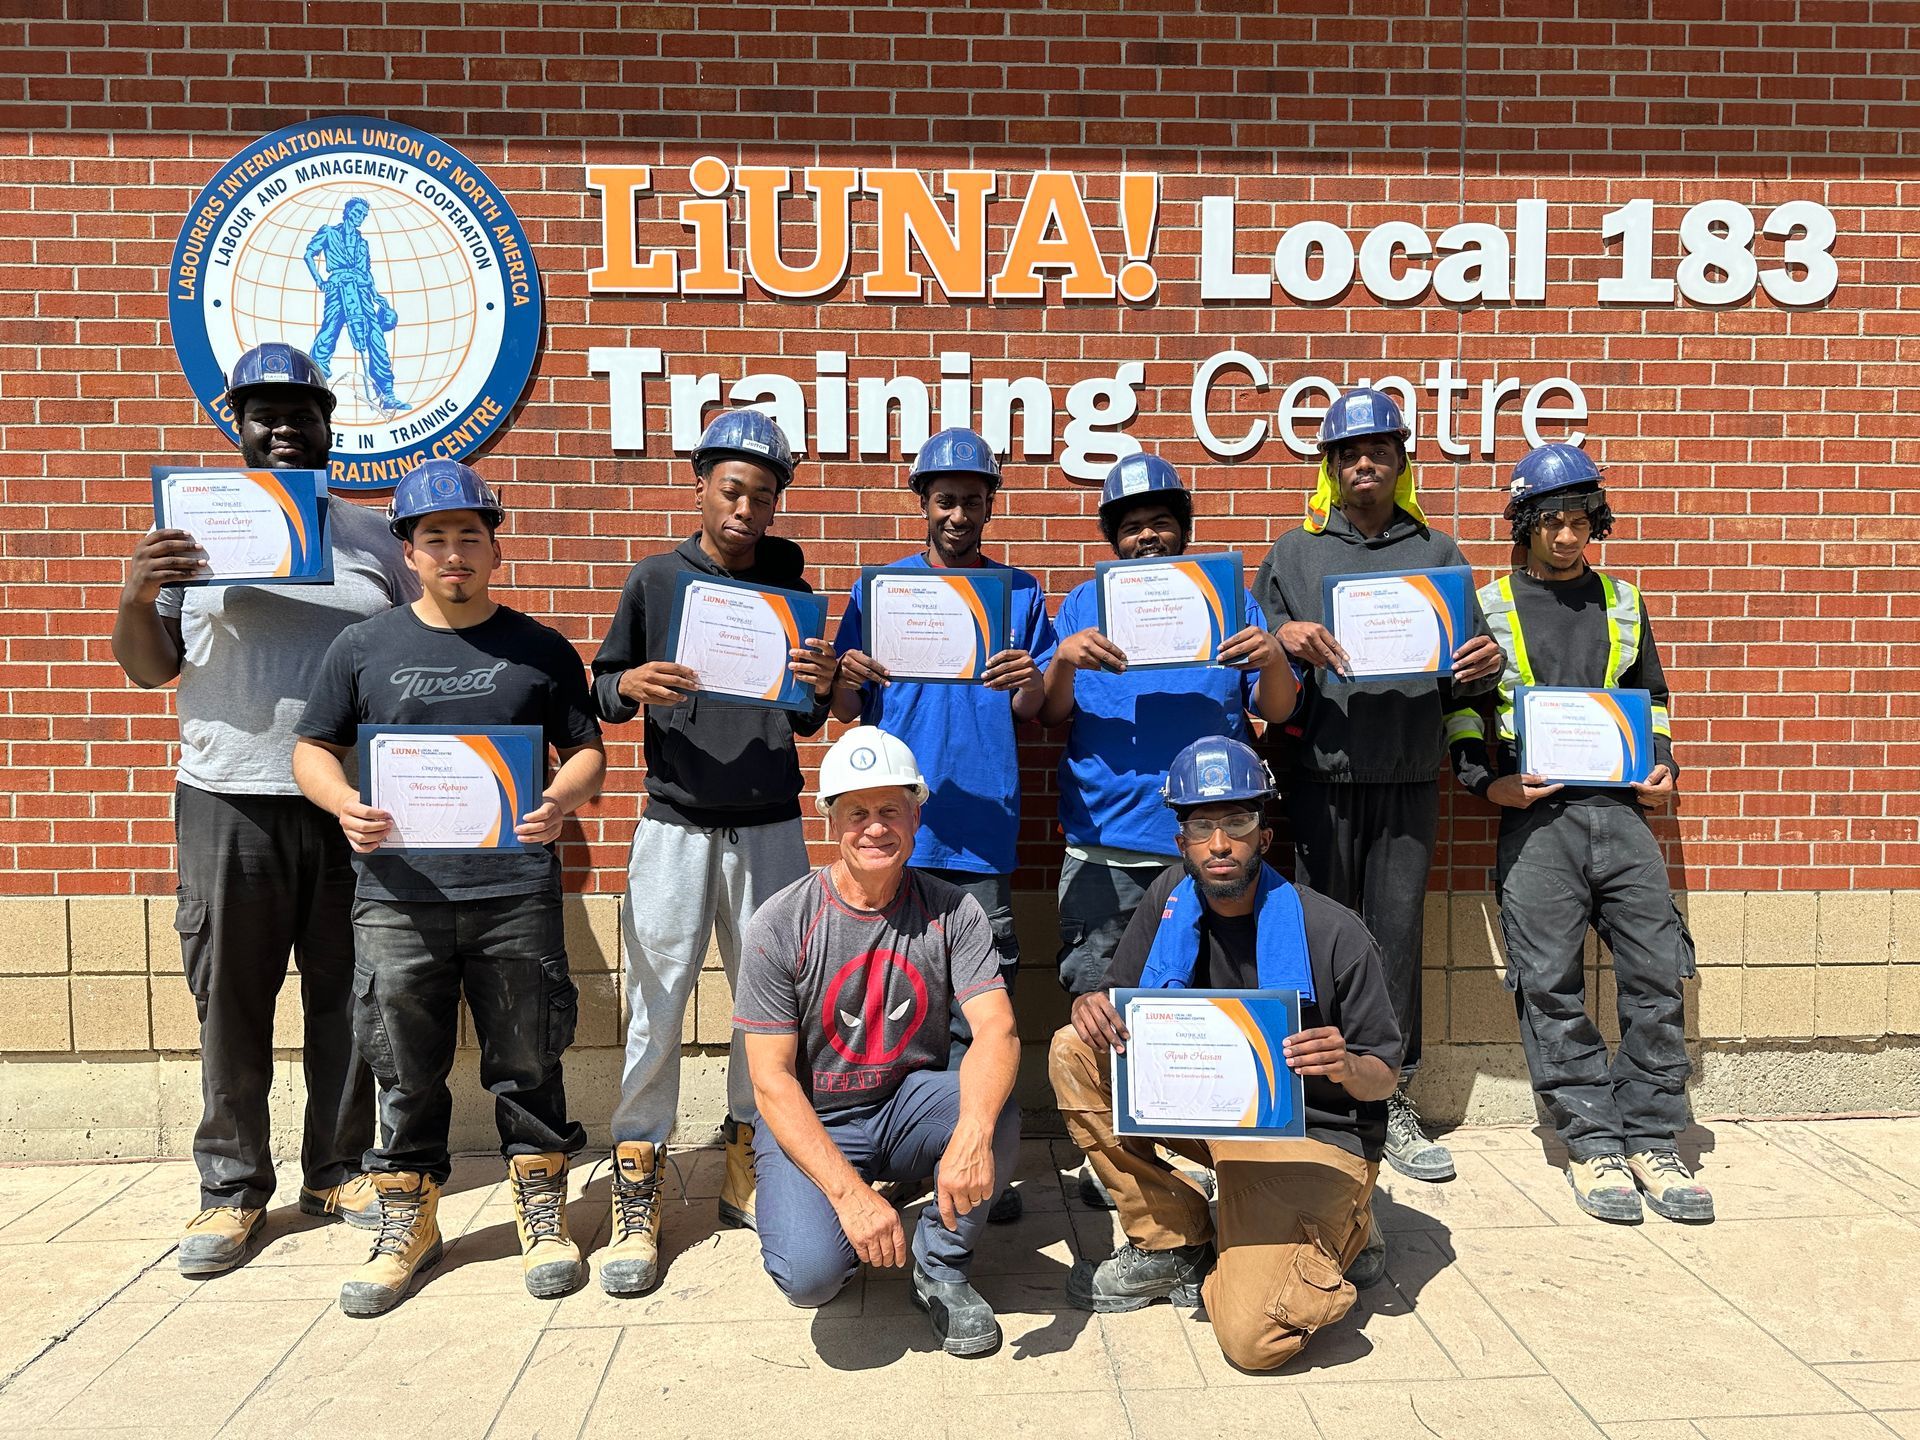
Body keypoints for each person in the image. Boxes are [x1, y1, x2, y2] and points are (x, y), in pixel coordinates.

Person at [111, 342, 417, 1278]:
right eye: (263, 413)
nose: (284, 428)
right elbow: (152, 665)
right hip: (227, 798)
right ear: (234, 425)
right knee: (232, 1003)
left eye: (302, 412)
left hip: (346, 805)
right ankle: (231, 1190)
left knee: (350, 997)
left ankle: (334, 1170)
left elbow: (407, 651)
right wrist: (136, 589)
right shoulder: (187, 532)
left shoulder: (372, 538)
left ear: (332, 425)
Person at [292, 460, 605, 1315]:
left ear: (495, 550)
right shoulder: (362, 647)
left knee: (530, 1052)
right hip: (396, 895)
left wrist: (556, 801)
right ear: (410, 552)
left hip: (513, 891)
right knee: (403, 1064)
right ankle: (411, 1218)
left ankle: (542, 1208)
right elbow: (311, 748)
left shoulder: (539, 647)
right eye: (436, 538)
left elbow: (587, 750)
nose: (454, 553)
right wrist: (345, 803)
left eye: (471, 536)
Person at [1049, 735, 1403, 1372]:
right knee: (1074, 1049)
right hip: (1207, 1120)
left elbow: (1384, 1075)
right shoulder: (1166, 903)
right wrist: (1091, 1006)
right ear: (1180, 840)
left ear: (1264, 837)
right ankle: (1175, 1238)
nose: (1219, 843)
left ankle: (1341, 1224)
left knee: (1251, 1341)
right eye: (1202, 825)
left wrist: (1347, 1065)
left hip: (1310, 1139)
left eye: (1237, 823)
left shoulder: (1332, 931)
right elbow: (1117, 1006)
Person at [588, 409, 837, 1296]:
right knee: (655, 999)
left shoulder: (790, 581)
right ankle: (640, 1167)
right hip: (674, 824)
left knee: (768, 1004)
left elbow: (808, 713)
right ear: (700, 485)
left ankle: (747, 1150)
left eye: (763, 496)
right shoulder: (656, 580)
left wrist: (826, 683)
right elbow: (601, 687)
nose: (745, 509)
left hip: (772, 820)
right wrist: (629, 683)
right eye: (732, 490)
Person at [1450, 443, 1710, 1224]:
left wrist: (1660, 764)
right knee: (1550, 985)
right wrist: (1483, 782)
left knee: (1658, 974)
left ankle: (1653, 1137)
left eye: (1580, 523)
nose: (1568, 538)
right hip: (1535, 823)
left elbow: (1651, 698)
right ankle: (1593, 1144)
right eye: (1552, 523)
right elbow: (1458, 709)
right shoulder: (1487, 604)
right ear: (1524, 525)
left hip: (1623, 817)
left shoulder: (1625, 600)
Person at [1252, 386, 1503, 1184]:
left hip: (1405, 776)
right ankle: (1315, 1096)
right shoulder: (1294, 553)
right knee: (1314, 939)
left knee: (1395, 943)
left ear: (1400, 462)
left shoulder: (1439, 554)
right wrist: (1284, 637)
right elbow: (1255, 666)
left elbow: (1475, 669)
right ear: (1330, 466)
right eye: (1348, 452)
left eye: (1379, 450)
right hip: (1318, 779)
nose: (1364, 462)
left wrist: (1484, 661)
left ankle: (1391, 1100)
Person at [1038, 452, 1300, 1207]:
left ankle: (1196, 1147)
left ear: (1184, 530)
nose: (1147, 537)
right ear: (1113, 540)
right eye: (1131, 527)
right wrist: (1062, 661)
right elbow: (1053, 713)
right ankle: (1118, 1155)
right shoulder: (1083, 604)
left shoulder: (1230, 601)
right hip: (1104, 846)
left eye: (1161, 524)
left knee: (1198, 1007)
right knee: (1100, 1006)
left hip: (1210, 854)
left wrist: (1274, 655)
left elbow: (1277, 711)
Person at [735, 727, 1022, 1357]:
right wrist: (848, 1196)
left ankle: (940, 1265)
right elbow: (771, 1081)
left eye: (891, 809)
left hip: (905, 1105)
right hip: (815, 1116)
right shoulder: (781, 923)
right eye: (857, 811)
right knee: (810, 1278)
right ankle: (830, 1198)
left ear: (917, 815)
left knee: (993, 1112)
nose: (875, 828)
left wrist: (972, 1135)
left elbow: (997, 1029)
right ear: (829, 820)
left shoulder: (954, 911)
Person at [831, 427, 1057, 1223]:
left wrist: (1033, 675)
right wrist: (846, 676)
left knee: (979, 1009)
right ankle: (910, 1154)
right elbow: (846, 713)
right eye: (945, 500)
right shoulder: (880, 591)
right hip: (892, 840)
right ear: (922, 504)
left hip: (982, 835)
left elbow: (1033, 711)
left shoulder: (1019, 593)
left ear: (992, 504)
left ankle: (982, 1159)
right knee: (900, 1007)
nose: (958, 514)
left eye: (972, 500)